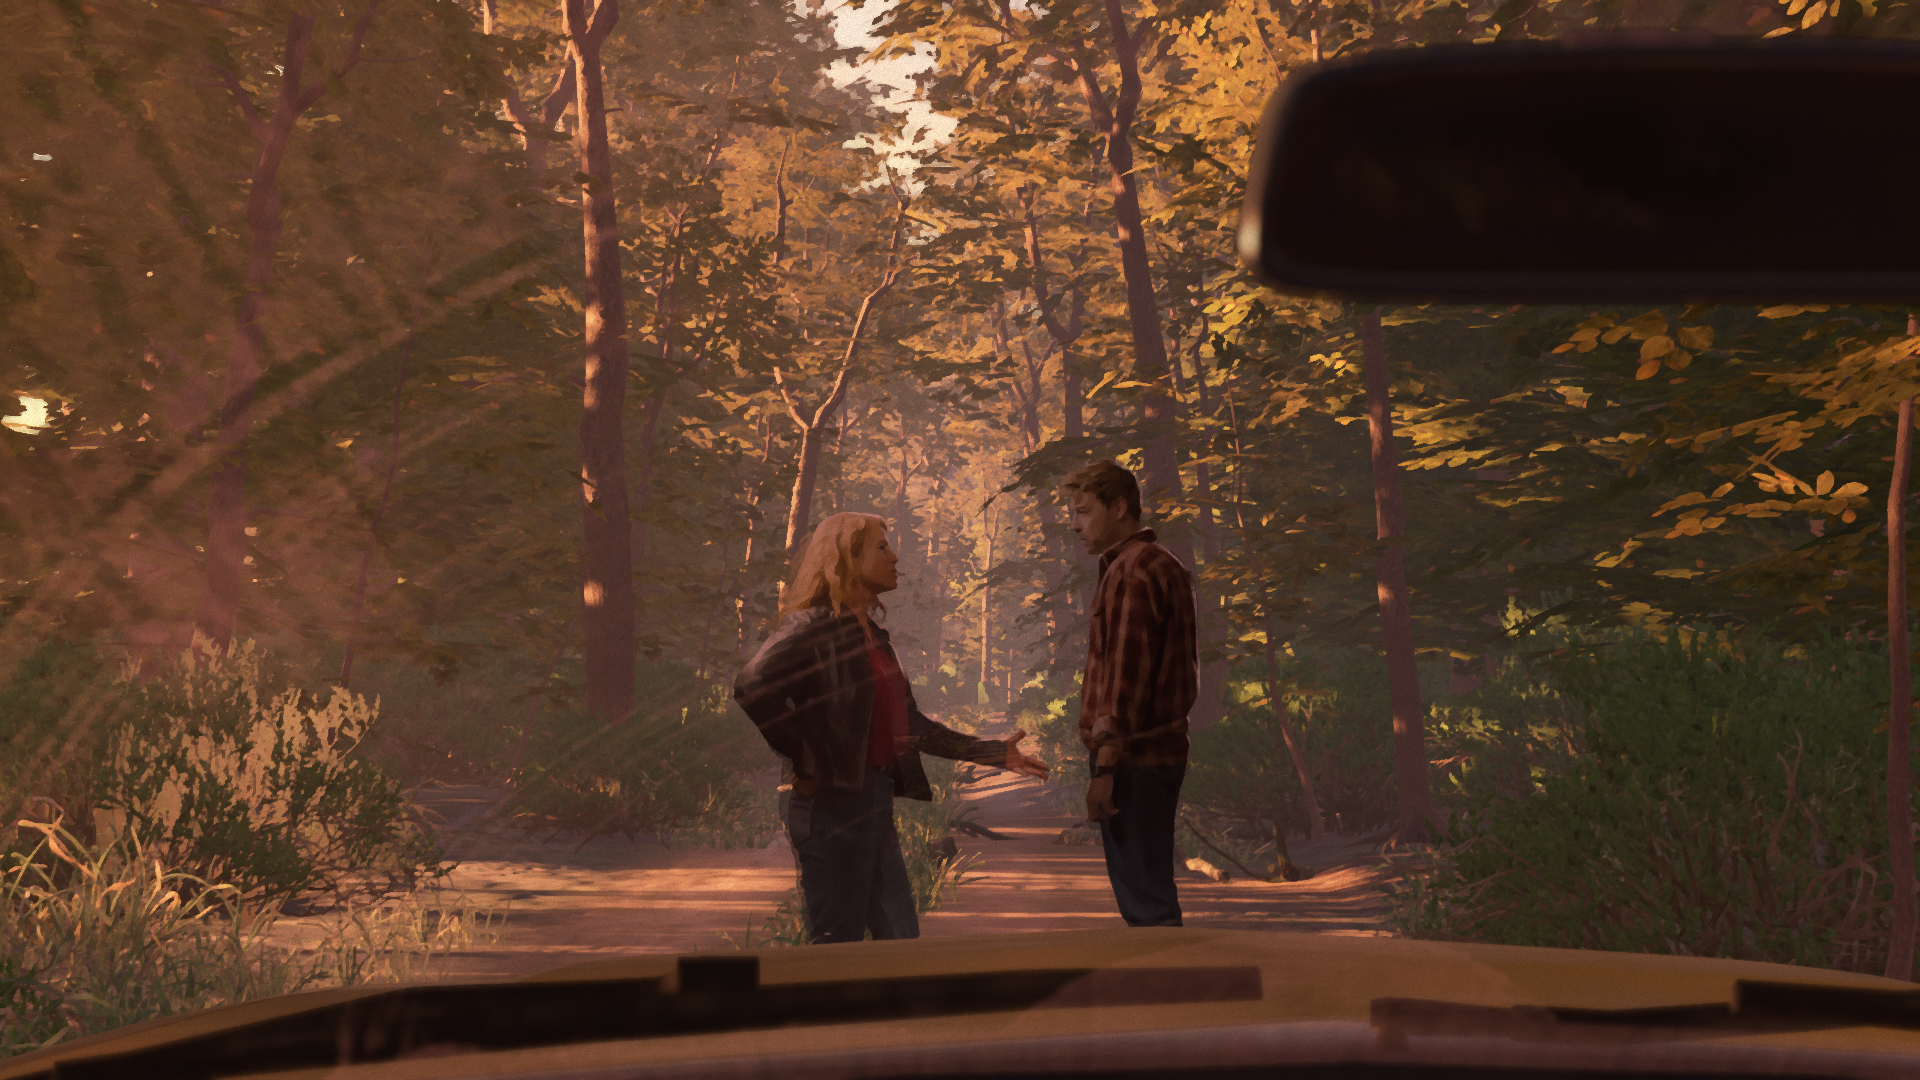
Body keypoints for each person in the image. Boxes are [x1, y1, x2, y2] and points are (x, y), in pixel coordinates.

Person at [733, 512, 1050, 944]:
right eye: (882, 548)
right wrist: (810, 757)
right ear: (847, 557)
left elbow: (909, 725)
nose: (895, 557)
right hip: (830, 806)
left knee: (899, 936)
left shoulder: (873, 636)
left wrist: (993, 752)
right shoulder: (812, 626)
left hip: (874, 800)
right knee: (837, 943)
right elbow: (752, 685)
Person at [1061, 460, 1197, 928]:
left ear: (1119, 507)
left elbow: (1123, 684)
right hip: (1156, 754)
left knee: (1144, 900)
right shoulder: (1158, 565)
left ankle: (1166, 991)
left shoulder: (1130, 573)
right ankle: (1170, 987)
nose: (1073, 523)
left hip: (1133, 761)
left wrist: (1105, 768)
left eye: (1083, 511)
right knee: (1150, 887)